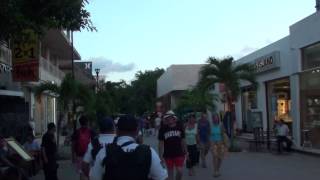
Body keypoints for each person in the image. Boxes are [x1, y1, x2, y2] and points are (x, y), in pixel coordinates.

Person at [90, 115, 168, 180]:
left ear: (117, 131)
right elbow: (163, 177)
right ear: (137, 131)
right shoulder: (149, 152)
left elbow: (94, 177)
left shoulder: (105, 151)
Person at [158, 110, 187, 180]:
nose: (169, 119)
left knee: (180, 171)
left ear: (174, 118)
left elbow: (183, 140)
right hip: (168, 154)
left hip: (179, 153)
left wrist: (186, 151)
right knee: (170, 173)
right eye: (167, 118)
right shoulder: (163, 129)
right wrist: (160, 157)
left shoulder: (179, 127)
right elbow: (160, 144)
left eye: (170, 117)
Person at [72, 115, 95, 180]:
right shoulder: (91, 131)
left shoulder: (76, 132)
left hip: (80, 155)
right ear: (87, 122)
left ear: (80, 122)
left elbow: (73, 144)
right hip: (89, 155)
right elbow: (95, 144)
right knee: (90, 172)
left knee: (81, 172)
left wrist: (73, 156)